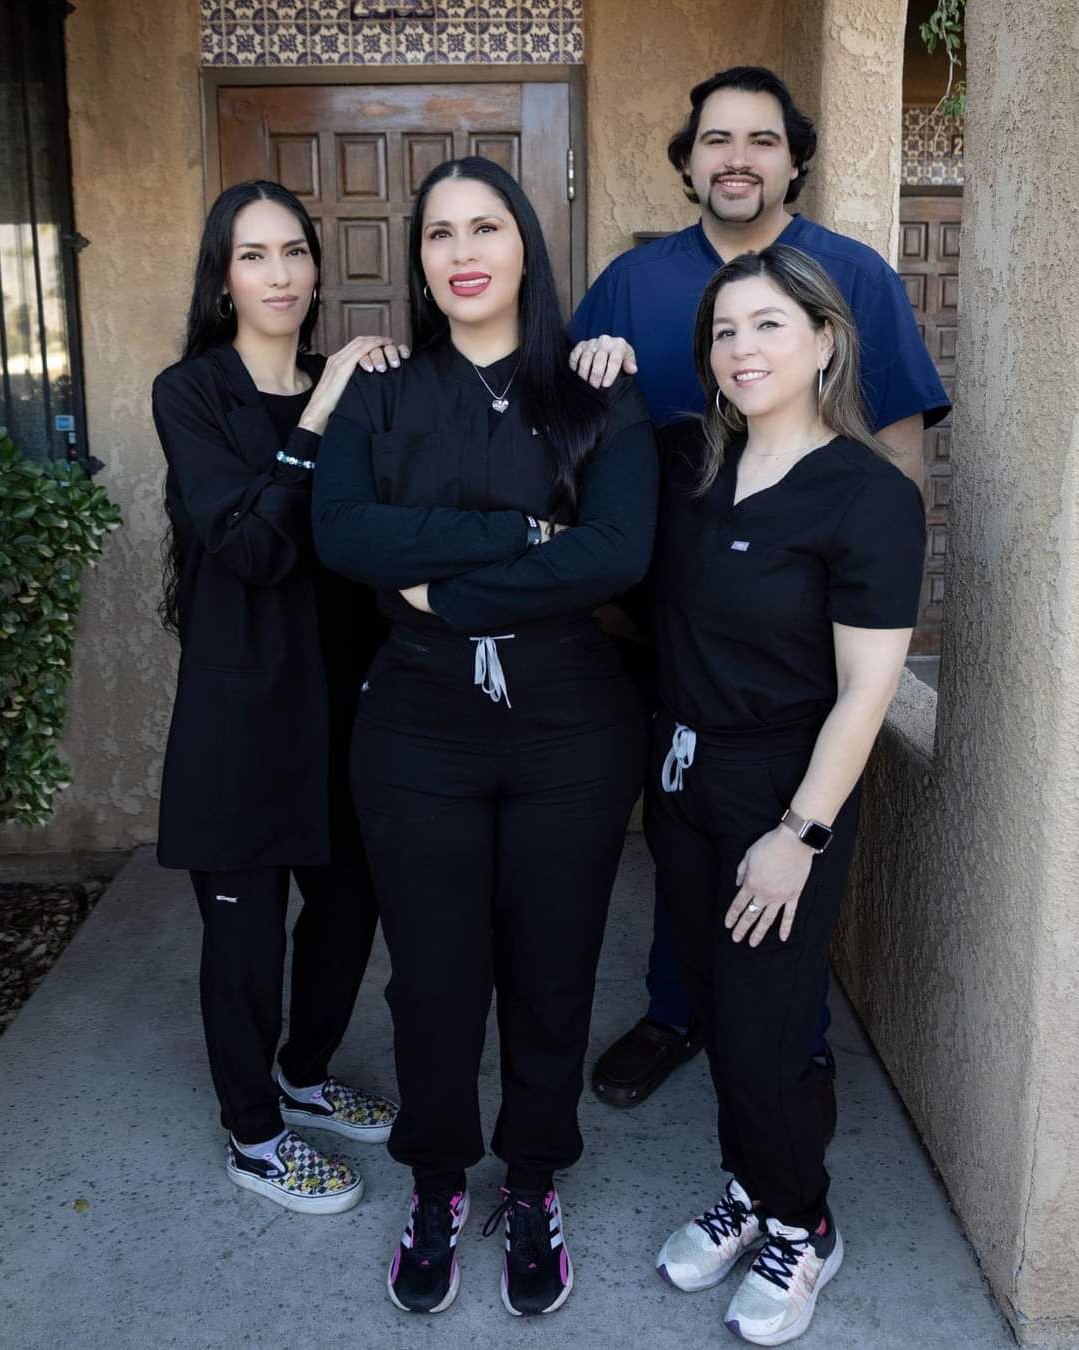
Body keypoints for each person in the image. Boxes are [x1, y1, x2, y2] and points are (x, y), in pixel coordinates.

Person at [312, 156, 657, 1317]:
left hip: (570, 729)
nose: (463, 250)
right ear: (418, 261)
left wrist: (449, 587)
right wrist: (520, 534)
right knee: (436, 977)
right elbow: (348, 531)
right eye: (440, 233)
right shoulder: (383, 390)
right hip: (417, 727)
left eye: (487, 227)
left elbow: (614, 551)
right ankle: (437, 1178)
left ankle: (538, 1174)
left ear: (526, 245)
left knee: (553, 971)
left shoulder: (594, 388)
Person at [571, 65, 949, 1114]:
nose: (737, 158)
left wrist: (868, 595)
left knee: (786, 839)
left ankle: (791, 1049)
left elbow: (901, 450)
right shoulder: (633, 284)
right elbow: (564, 431)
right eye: (716, 140)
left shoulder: (854, 275)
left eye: (762, 141)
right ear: (688, 161)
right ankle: (674, 1011)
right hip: (657, 625)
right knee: (683, 830)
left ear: (794, 160)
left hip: (799, 633)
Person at [647, 244, 925, 1345]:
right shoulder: (692, 467)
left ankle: (804, 1224)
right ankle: (754, 1185)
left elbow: (867, 691)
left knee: (768, 1022)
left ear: (824, 341)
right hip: (682, 774)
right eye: (724, 331)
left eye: (768, 325)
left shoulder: (867, 495)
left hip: (786, 788)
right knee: (716, 1006)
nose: (742, 349)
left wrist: (798, 834)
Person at [152, 180, 397, 1215]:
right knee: (245, 940)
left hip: (344, 706)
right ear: (222, 277)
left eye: (294, 251)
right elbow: (249, 546)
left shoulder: (356, 388)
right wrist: (321, 412)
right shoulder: (192, 392)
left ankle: (302, 1071)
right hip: (240, 714)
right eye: (254, 256)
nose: (282, 273)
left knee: (349, 910)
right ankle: (254, 1133)